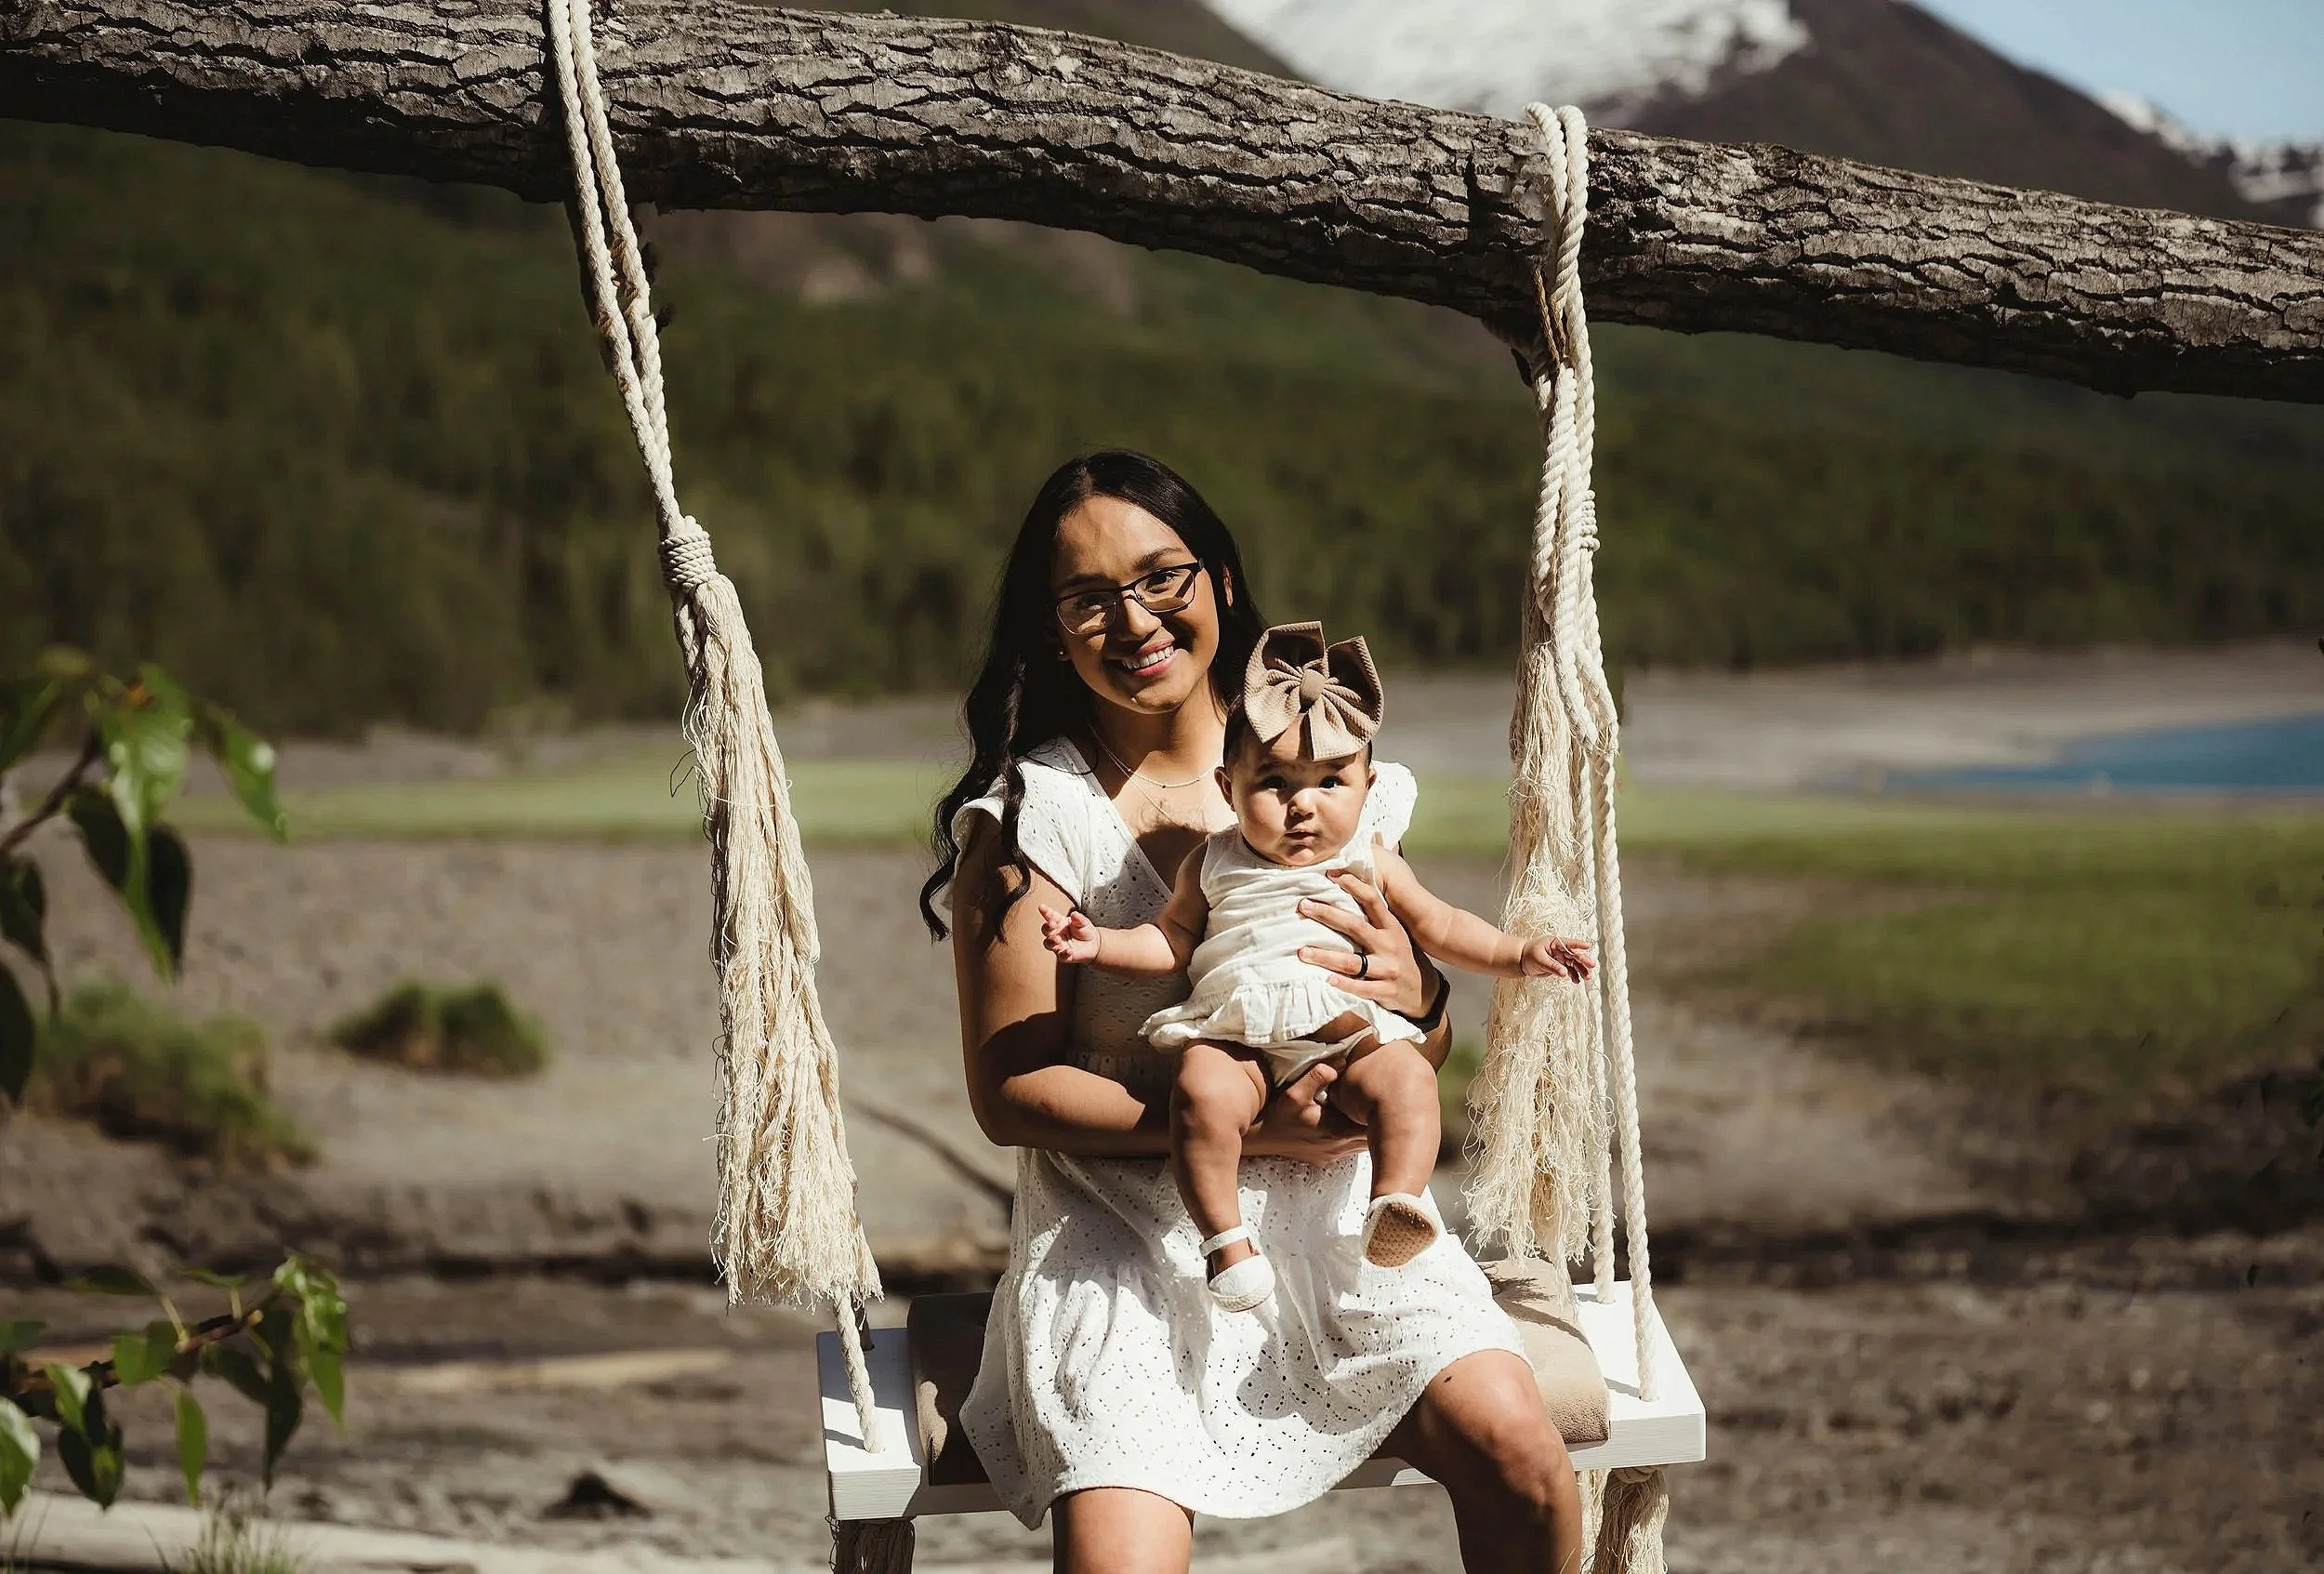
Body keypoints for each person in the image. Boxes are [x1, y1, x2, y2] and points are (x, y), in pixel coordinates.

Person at [925, 450, 1586, 1574]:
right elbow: (1010, 1093)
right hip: (1127, 1240)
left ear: (1221, 582)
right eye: (1087, 597)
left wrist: (1418, 998)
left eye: (1161, 577)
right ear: (1052, 627)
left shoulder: (1322, 768)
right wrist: (1249, 1126)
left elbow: (1408, 1017)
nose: (1132, 619)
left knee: (1521, 1452)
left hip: (1342, 1220)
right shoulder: (1034, 819)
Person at [1036, 621, 1594, 1313]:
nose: (1304, 804)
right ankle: (1227, 1242)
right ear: (1228, 784)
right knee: (1202, 1092)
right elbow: (1169, 941)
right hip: (1237, 1035)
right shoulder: (1213, 859)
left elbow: (1442, 926)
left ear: (1367, 785)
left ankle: (1395, 1200)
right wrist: (1099, 944)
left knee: (1407, 1079)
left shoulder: (1369, 857)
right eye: (1274, 782)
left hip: (1344, 1034)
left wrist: (1520, 953)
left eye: (1332, 780)